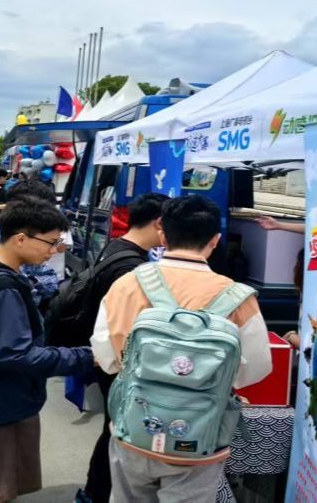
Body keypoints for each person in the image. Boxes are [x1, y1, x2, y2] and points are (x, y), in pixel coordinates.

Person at [91, 195, 272, 502]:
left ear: (162, 234)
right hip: (198, 436)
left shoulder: (126, 284)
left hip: (133, 427)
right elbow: (257, 368)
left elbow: (105, 355)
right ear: (215, 240)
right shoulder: (238, 297)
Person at [0, 198, 94, 503]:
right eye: (50, 242)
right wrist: (86, 356)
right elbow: (16, 354)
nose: (54, 251)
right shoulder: (2, 288)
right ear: (20, 238)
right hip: (0, 405)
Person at [76, 193, 168, 503]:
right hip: (116, 363)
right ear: (159, 223)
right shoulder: (132, 266)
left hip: (106, 357)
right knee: (116, 432)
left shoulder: (116, 248)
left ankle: (94, 492)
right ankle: (96, 493)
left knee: (111, 429)